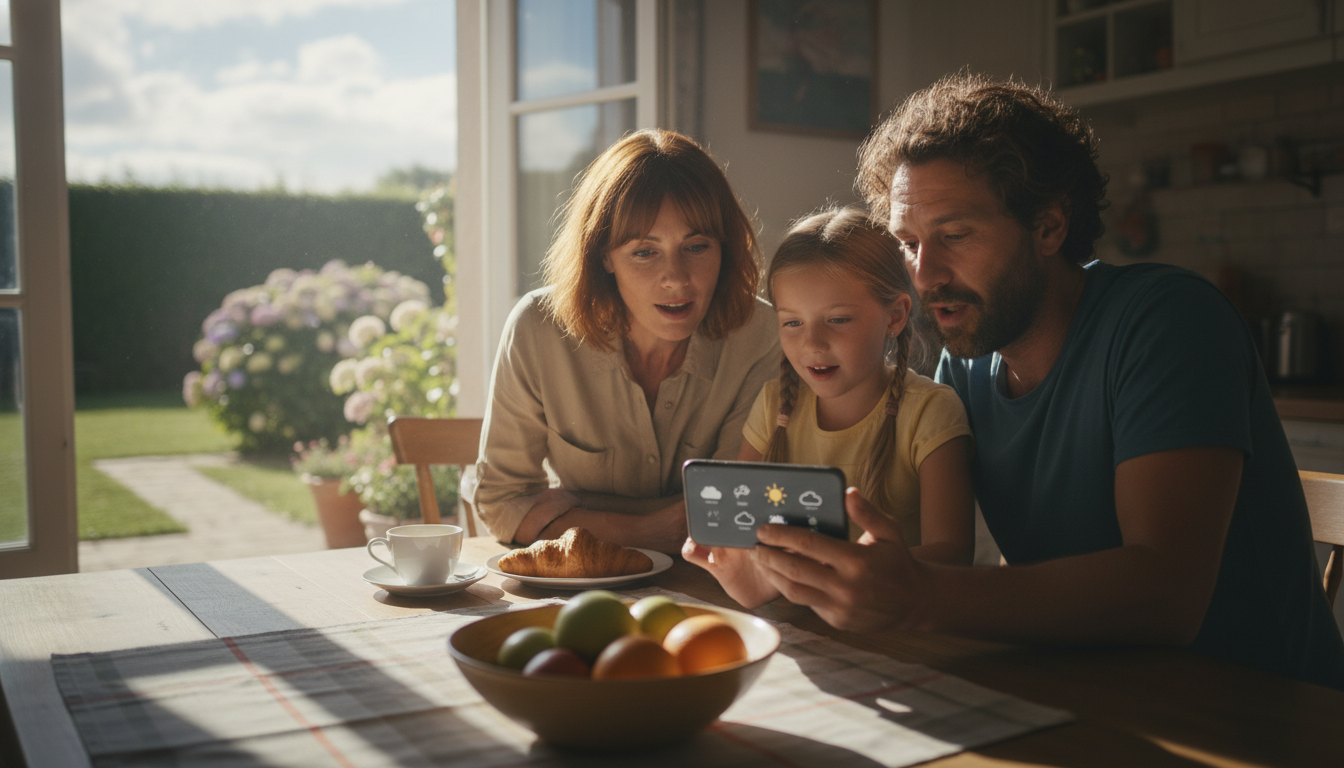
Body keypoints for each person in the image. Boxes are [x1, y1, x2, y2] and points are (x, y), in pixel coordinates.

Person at [735, 73, 1344, 690]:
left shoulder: (1168, 322)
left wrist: (921, 595)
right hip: (1083, 691)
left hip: (1265, 712)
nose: (926, 276)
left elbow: (1167, 596)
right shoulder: (964, 369)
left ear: (1050, 227)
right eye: (910, 244)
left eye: (956, 236)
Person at [470, 129, 781, 554]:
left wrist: (582, 512)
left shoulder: (762, 334)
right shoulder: (538, 328)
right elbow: (501, 504)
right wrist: (647, 531)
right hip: (577, 589)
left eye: (696, 246)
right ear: (603, 255)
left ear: (724, 249)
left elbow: (733, 512)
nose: (675, 277)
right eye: (644, 252)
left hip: (711, 587)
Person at [684, 207, 975, 607]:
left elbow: (954, 557)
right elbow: (747, 535)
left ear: (895, 316)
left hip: (901, 633)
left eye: (837, 320)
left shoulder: (932, 413)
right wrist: (745, 571)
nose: (813, 344)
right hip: (802, 626)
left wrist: (840, 578)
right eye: (792, 323)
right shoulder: (773, 406)